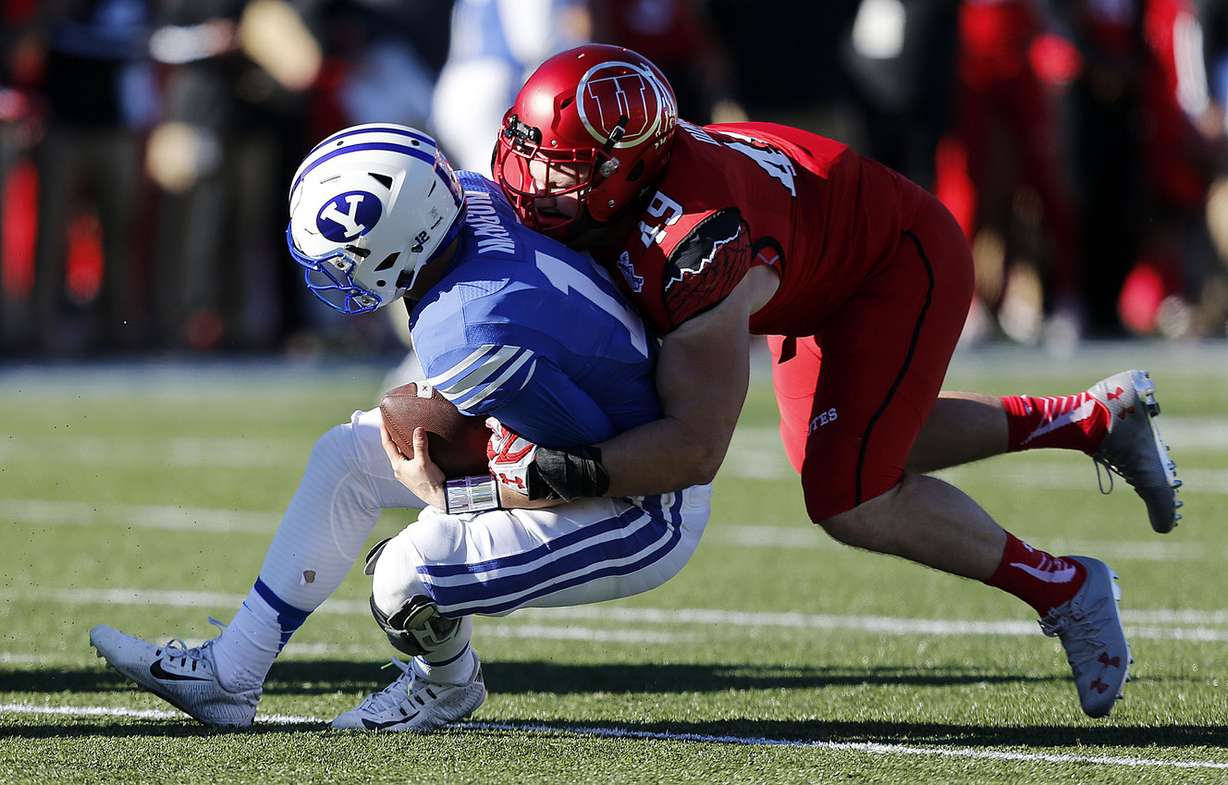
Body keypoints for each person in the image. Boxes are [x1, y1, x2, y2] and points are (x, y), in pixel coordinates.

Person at [478, 44, 1182, 718]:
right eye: (527, 150)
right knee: (859, 440)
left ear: (626, 173)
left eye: (562, 170)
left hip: (891, 266)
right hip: (822, 260)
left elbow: (694, 447)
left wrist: (557, 471)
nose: (531, 182)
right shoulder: (643, 184)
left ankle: (1065, 586)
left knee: (852, 494)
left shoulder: (698, 249)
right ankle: (1091, 420)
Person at [89, 124, 711, 731]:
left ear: (398, 245)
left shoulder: (469, 335)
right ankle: (231, 673)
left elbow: (587, 466)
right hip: (604, 417)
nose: (340, 275)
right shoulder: (470, 194)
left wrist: (459, 495)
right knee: (347, 458)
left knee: (404, 576)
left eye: (347, 260)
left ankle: (446, 686)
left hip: (644, 502)